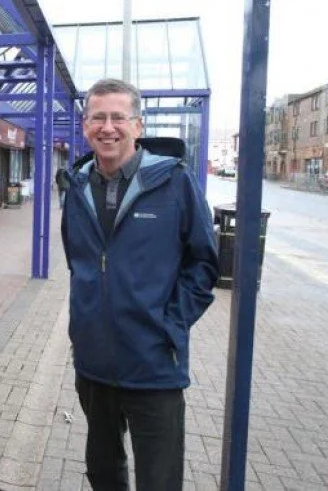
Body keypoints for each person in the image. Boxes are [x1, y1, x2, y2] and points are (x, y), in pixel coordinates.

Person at [59, 79, 219, 490]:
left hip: (154, 364)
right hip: (93, 364)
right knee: (103, 472)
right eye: (98, 117)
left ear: (138, 125)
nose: (107, 127)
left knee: (159, 480)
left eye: (118, 117)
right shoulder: (76, 188)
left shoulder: (174, 182)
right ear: (84, 126)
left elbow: (203, 264)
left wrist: (170, 324)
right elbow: (80, 265)